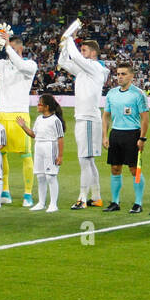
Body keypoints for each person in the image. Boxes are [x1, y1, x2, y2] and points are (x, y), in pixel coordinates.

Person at [0, 32, 38, 206]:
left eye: (12, 47)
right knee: (1, 154)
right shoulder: (3, 65)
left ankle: (28, 194)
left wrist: (7, 48)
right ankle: (5, 190)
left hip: (20, 115)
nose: (8, 51)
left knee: (26, 155)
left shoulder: (29, 64)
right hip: (2, 114)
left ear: (20, 48)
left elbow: (21, 65)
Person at [59, 31, 110, 209]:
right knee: (88, 161)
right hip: (83, 117)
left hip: (88, 118)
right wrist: (64, 46)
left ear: (93, 53)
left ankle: (82, 198)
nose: (82, 53)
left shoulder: (94, 67)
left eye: (85, 50)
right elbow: (63, 62)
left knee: (84, 160)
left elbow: (76, 57)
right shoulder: (84, 70)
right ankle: (96, 197)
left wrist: (69, 38)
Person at [101, 61, 149, 213]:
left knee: (135, 170)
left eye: (123, 74)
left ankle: (138, 203)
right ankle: (115, 202)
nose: (120, 77)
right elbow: (106, 116)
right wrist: (105, 136)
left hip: (132, 134)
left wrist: (142, 138)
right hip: (115, 133)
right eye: (118, 74)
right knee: (115, 168)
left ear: (131, 76)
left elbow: (145, 118)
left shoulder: (138, 94)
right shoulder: (111, 94)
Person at [21, 93, 64, 212]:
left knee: (50, 176)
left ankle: (53, 204)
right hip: (38, 146)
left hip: (50, 146)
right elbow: (34, 135)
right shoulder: (39, 119)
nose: (37, 106)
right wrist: (24, 126)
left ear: (47, 106)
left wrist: (60, 155)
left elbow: (60, 138)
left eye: (39, 104)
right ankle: (41, 202)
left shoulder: (55, 120)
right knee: (40, 176)